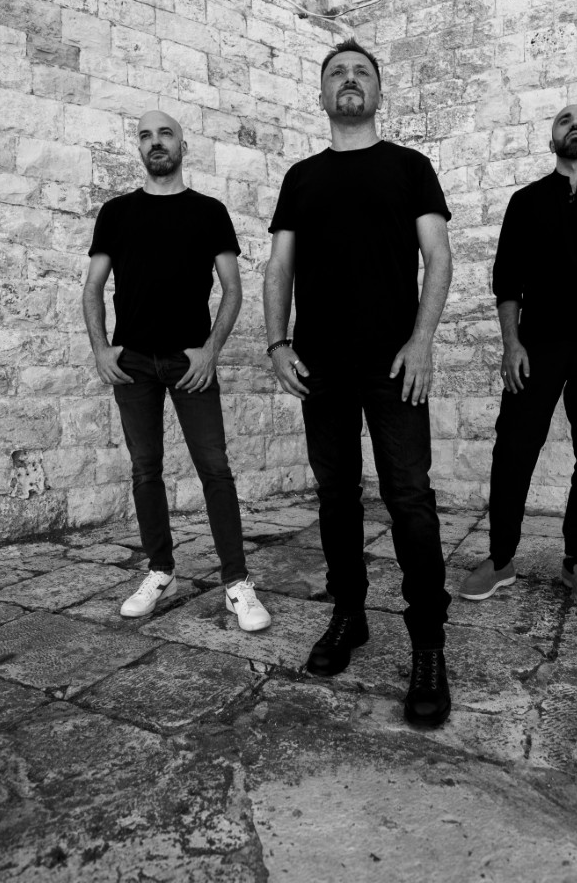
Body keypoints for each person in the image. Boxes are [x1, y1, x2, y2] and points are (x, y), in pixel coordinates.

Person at [262, 40, 454, 727]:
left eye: (361, 73)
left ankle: (428, 643)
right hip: (321, 364)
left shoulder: (410, 167)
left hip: (393, 362)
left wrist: (422, 340)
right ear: (322, 95)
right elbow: (279, 266)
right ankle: (349, 613)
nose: (349, 80)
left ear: (377, 92)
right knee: (337, 496)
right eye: (337, 73)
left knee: (410, 499)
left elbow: (438, 256)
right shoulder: (301, 177)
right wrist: (278, 342)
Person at [83, 109, 271, 632]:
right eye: (146, 136)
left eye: (165, 133)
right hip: (133, 364)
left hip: (191, 362)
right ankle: (159, 570)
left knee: (215, 468)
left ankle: (237, 583)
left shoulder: (209, 212)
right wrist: (102, 350)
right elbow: (93, 287)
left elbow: (232, 289)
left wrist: (210, 351)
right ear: (139, 149)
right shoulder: (116, 213)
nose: (155, 142)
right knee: (145, 469)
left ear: (183, 146)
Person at [459, 103, 577, 612]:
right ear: (552, 141)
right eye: (565, 120)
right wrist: (511, 344)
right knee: (513, 451)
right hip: (536, 347)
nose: (575, 124)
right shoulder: (526, 201)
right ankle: (501, 558)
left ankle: (575, 560)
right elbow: (506, 281)